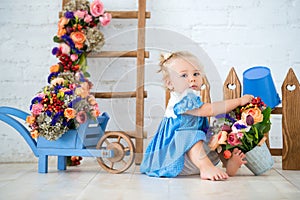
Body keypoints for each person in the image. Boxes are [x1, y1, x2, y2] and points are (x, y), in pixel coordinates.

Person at [140, 51, 253, 181]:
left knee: (219, 132)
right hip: (177, 156)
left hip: (197, 155)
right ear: (170, 83)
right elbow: (210, 109)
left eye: (196, 74)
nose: (192, 78)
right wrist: (238, 101)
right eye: (184, 75)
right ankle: (206, 168)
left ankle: (228, 164)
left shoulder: (192, 96)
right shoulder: (182, 100)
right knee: (190, 135)